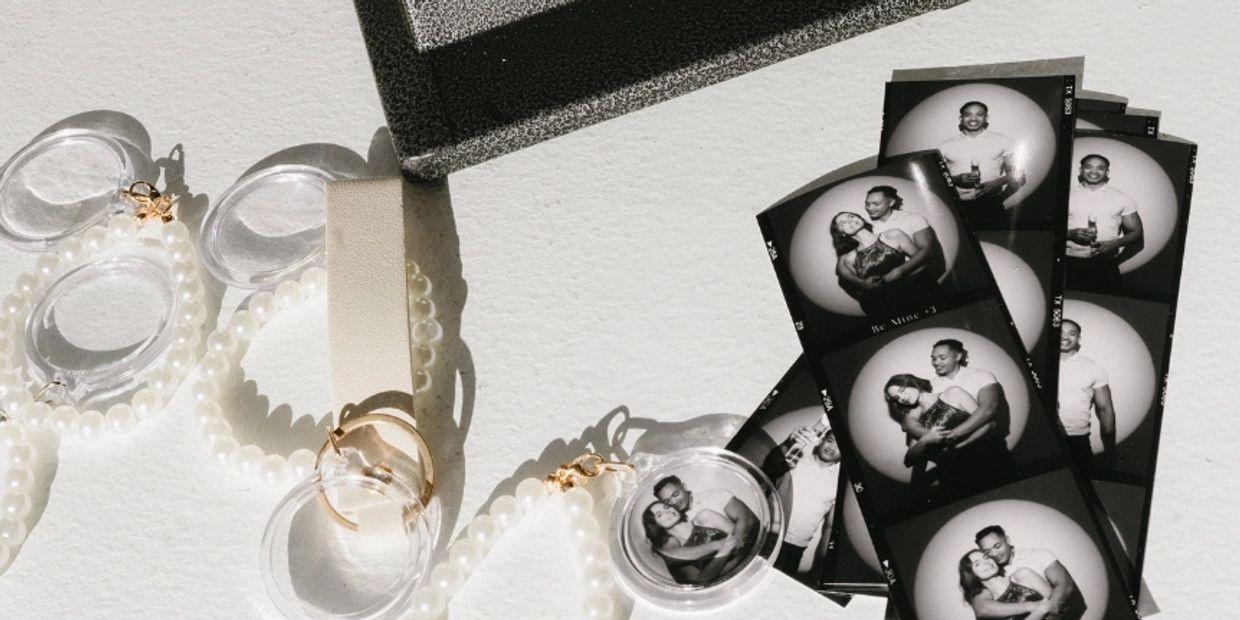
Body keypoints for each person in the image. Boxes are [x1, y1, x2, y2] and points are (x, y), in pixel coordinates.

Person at [883, 373, 1003, 496]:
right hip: (951, 475)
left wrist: (957, 446)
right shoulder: (915, 422)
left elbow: (989, 425)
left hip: (982, 459)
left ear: (912, 383)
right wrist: (925, 440)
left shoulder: (953, 393)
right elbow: (908, 460)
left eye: (902, 390)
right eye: (897, 398)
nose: (902, 398)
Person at [759, 424, 841, 577]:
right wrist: (789, 442)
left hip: (796, 548)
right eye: (830, 440)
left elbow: (830, 526)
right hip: (769, 535)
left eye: (839, 446)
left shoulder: (839, 483)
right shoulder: (796, 458)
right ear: (822, 440)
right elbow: (769, 467)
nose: (832, 447)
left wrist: (820, 564)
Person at [830, 211, 943, 316]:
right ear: (841, 233)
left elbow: (922, 263)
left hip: (916, 294)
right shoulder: (846, 258)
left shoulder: (892, 235)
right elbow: (848, 282)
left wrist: (900, 273)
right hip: (886, 307)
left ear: (861, 219)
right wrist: (863, 284)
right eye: (843, 223)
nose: (850, 220)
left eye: (851, 216)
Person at [653, 476, 760, 583]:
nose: (674, 502)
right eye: (667, 501)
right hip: (723, 572)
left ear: (684, 486)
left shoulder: (714, 496)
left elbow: (747, 518)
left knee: (704, 516)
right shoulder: (672, 523)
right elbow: (679, 560)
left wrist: (737, 545)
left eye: (676, 494)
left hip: (749, 550)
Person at [938, 101, 1026, 228]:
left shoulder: (1004, 141)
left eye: (979, 114)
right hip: (956, 206)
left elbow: (1019, 175)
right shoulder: (945, 146)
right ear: (961, 118)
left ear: (986, 118)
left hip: (991, 205)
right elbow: (935, 177)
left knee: (994, 238)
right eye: (968, 114)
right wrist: (955, 179)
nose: (973, 119)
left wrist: (996, 183)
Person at [1065, 154, 1143, 292]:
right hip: (1068, 262)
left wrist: (1115, 243)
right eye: (1089, 167)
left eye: (1100, 168)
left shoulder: (1122, 198)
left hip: (1104, 264)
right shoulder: (1065, 195)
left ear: (1107, 172)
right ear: (1080, 170)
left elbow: (1136, 232)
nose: (1094, 171)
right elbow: (1048, 228)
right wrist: (1070, 233)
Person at [974, 525, 1087, 620]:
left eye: (997, 546)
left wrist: (1050, 610)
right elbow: (982, 609)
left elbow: (1065, 584)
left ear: (1007, 540)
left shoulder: (1037, 556)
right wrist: (1033, 607)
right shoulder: (990, 574)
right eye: (987, 551)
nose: (994, 554)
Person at [1057, 319, 1116, 473]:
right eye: (1060, 332)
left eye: (1072, 333)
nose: (1065, 336)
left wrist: (1110, 450)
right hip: (1044, 437)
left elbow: (1105, 410)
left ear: (1079, 339)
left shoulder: (1094, 369)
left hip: (1077, 440)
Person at [641, 500, 745, 586]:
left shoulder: (704, 517)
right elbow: (701, 580)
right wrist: (720, 547)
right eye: (659, 514)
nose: (668, 512)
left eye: (667, 507)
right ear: (655, 526)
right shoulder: (674, 552)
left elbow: (743, 540)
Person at [863, 185, 942, 281]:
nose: (870, 208)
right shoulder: (867, 226)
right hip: (888, 284)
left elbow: (927, 251)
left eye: (876, 204)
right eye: (867, 204)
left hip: (920, 278)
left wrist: (900, 271)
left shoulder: (913, 218)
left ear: (891, 202)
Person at [958, 549, 1056, 620]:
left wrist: (1044, 609)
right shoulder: (981, 598)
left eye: (986, 557)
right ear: (970, 573)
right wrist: (1036, 608)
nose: (986, 562)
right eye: (977, 564)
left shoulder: (1022, 575)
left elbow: (1058, 606)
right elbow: (982, 610)